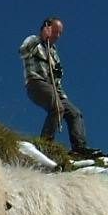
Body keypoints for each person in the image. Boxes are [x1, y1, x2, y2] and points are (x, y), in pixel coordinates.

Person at [20, 16, 94, 154]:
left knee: (74, 113)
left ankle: (79, 148)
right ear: (46, 28)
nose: (57, 36)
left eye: (60, 33)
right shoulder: (33, 41)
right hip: (36, 83)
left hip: (53, 88)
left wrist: (63, 97)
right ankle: (45, 145)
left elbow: (57, 79)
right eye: (55, 32)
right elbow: (23, 51)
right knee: (57, 108)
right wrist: (41, 37)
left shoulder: (54, 52)